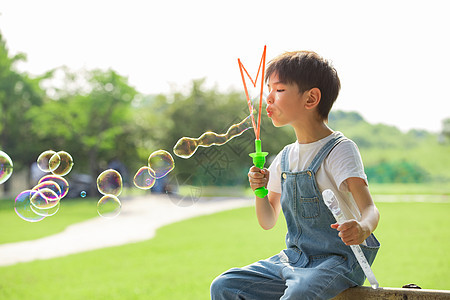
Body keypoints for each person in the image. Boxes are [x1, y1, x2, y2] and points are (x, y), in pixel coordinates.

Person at [210, 51, 380, 299]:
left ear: (311, 98)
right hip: (294, 259)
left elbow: (370, 210)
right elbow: (268, 220)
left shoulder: (340, 149)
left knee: (300, 293)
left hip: (339, 261)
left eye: (278, 90)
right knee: (225, 286)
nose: (268, 98)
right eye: (269, 89)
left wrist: (363, 228)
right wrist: (260, 190)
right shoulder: (285, 157)